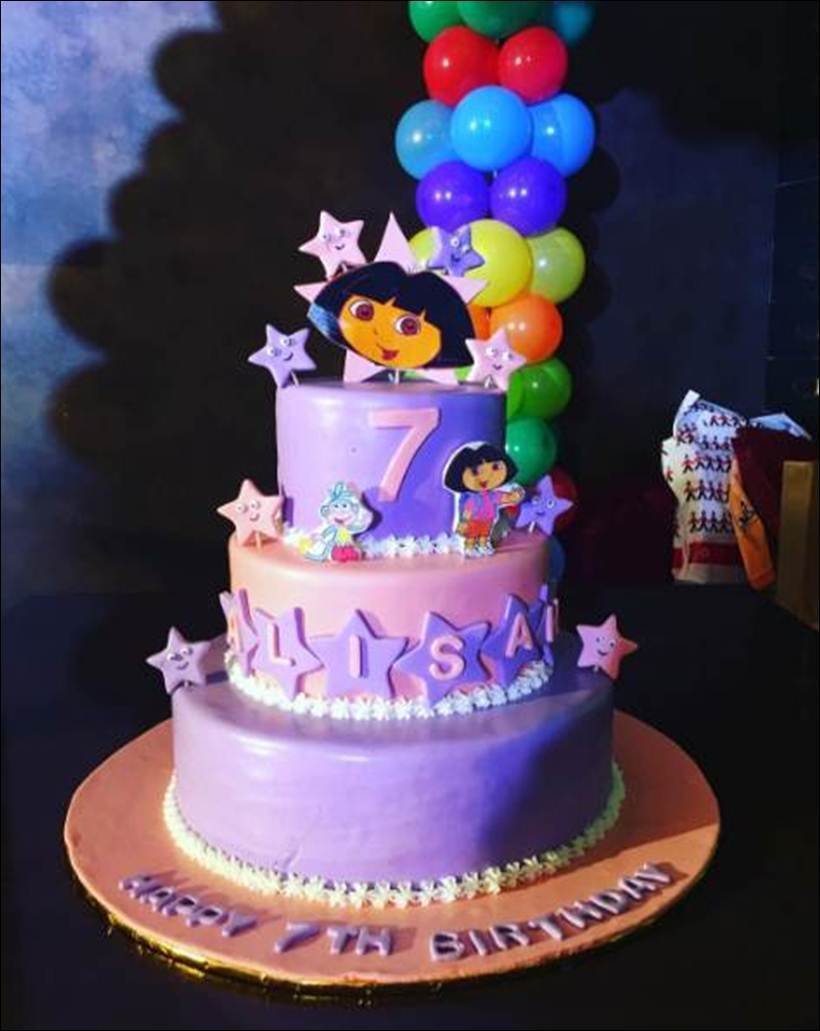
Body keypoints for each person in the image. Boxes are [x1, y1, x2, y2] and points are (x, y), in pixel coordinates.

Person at [443, 443, 524, 554]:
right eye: (475, 472)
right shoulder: (473, 498)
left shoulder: (493, 495)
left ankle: (483, 546)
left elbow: (503, 498)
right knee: (471, 536)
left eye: (495, 467)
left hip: (488, 520)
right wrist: (464, 523)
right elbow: (468, 510)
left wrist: (514, 496)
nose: (486, 476)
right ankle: (469, 548)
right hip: (474, 521)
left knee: (484, 535)